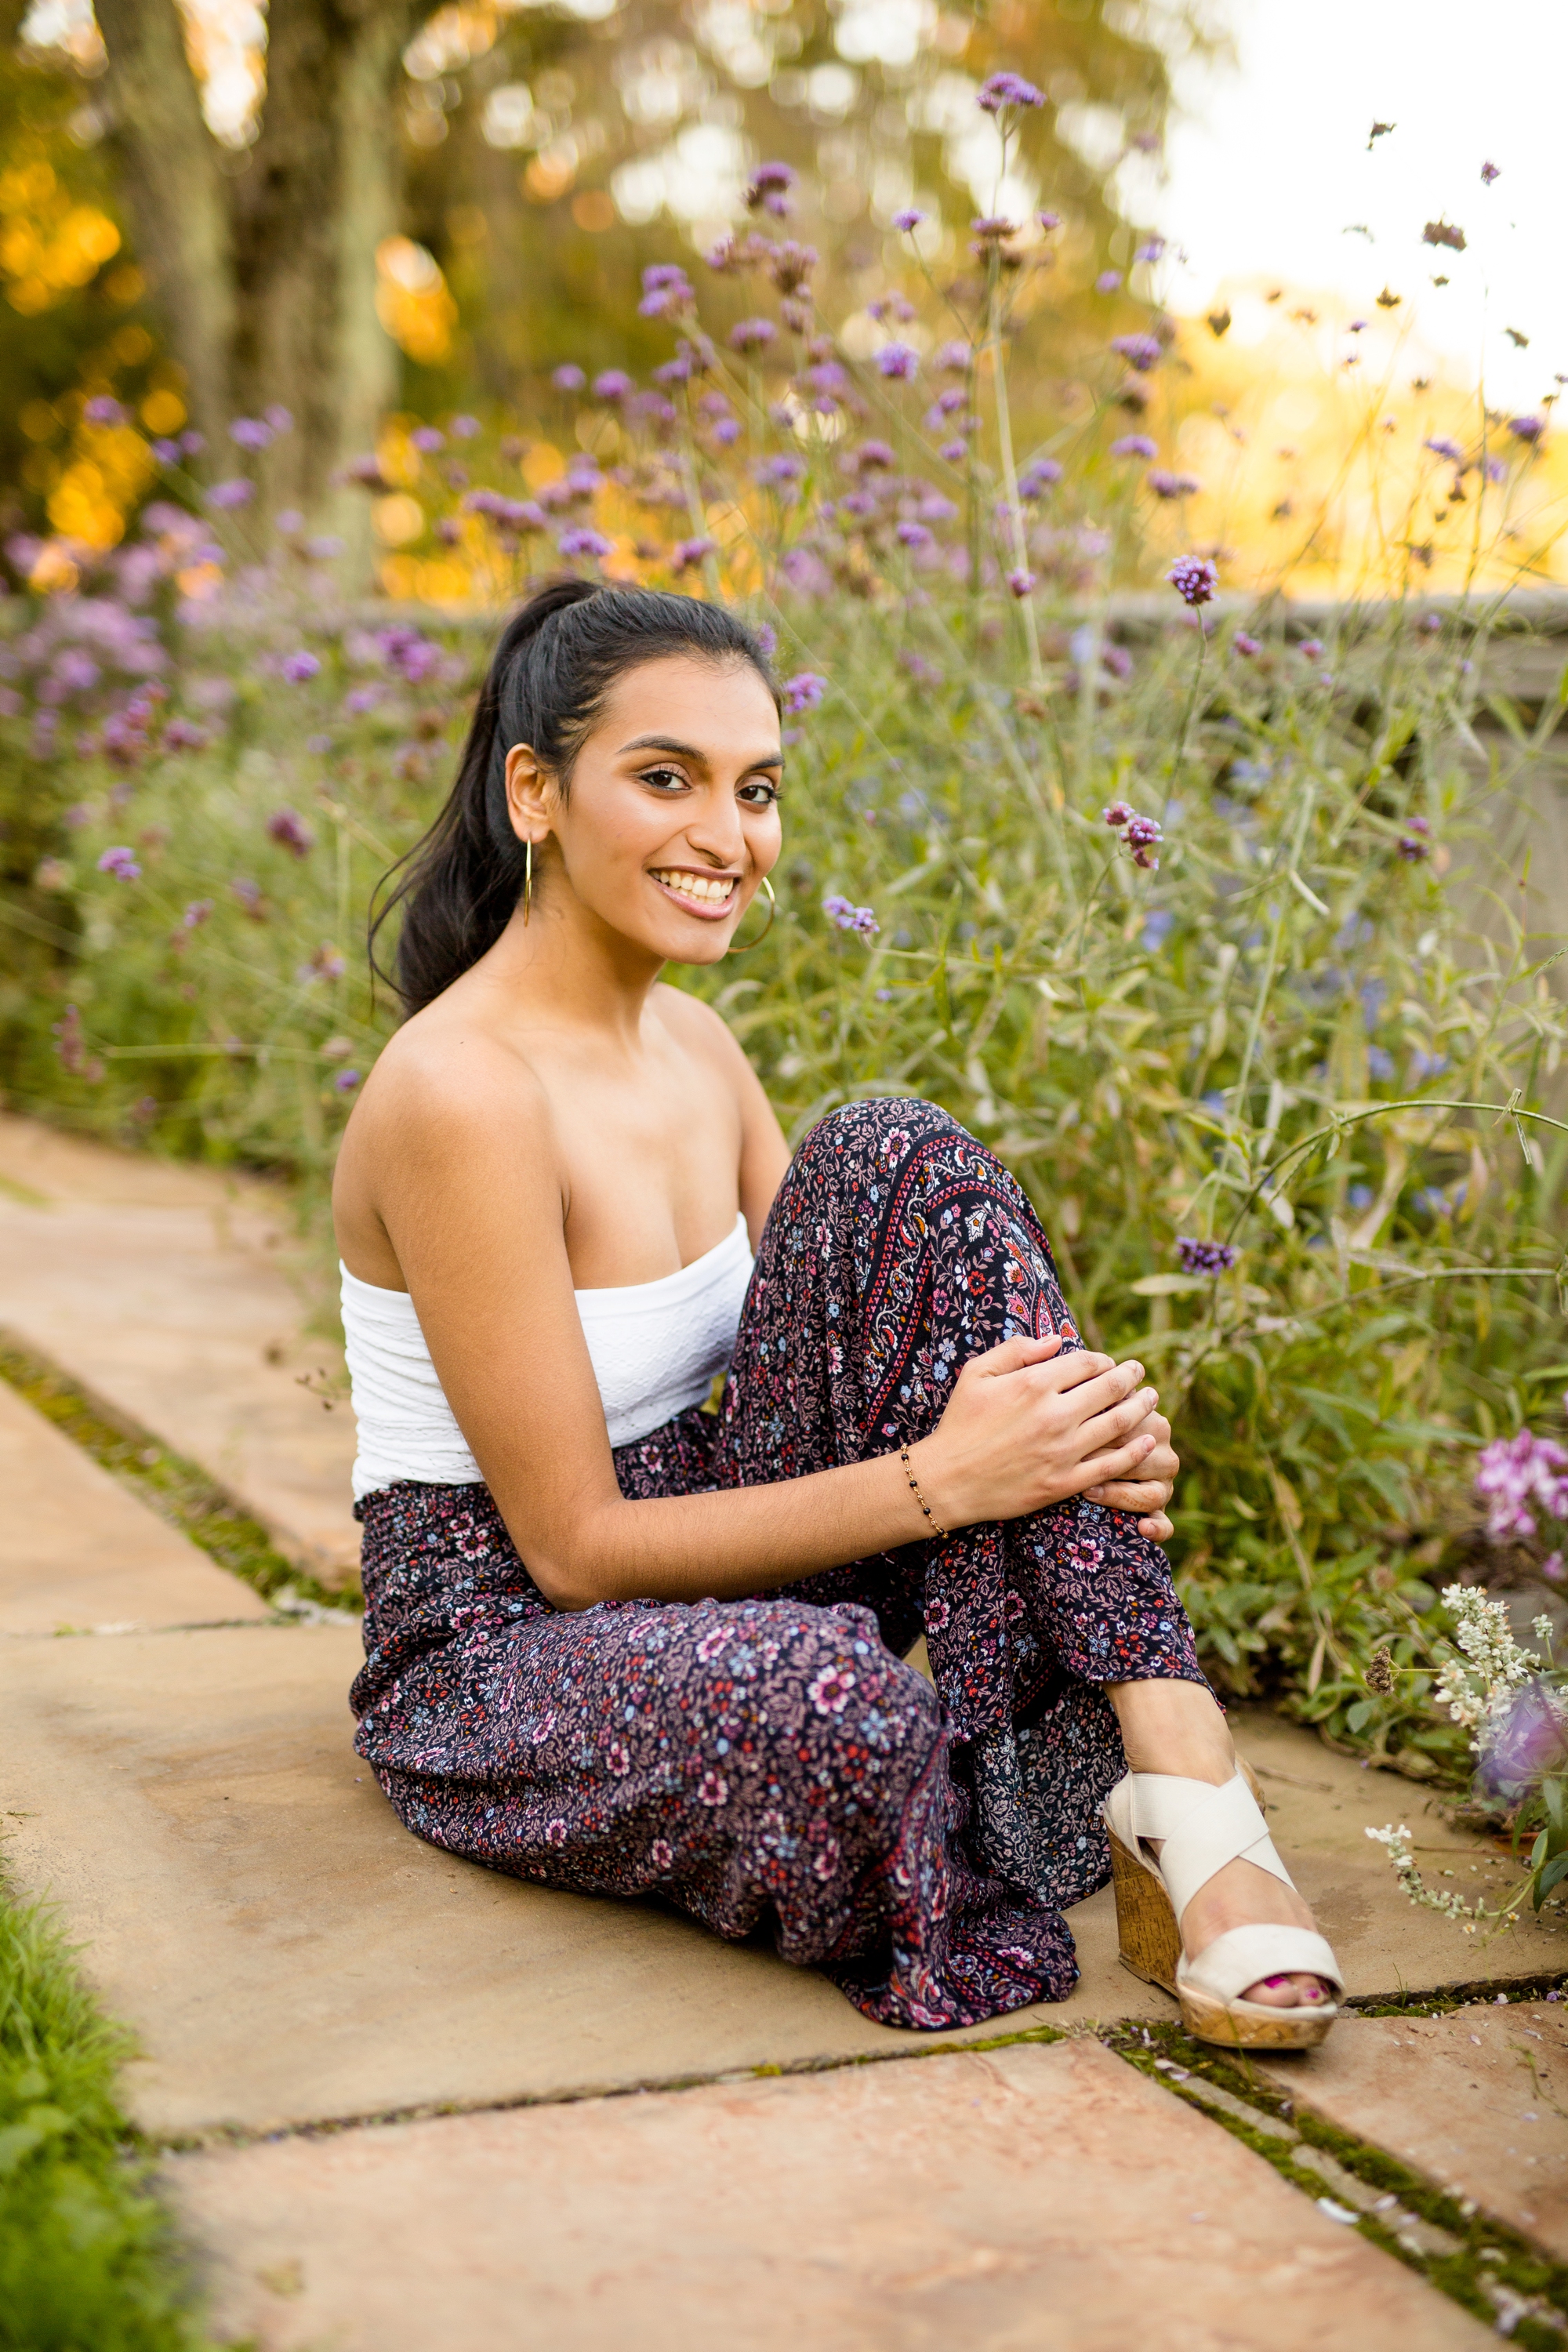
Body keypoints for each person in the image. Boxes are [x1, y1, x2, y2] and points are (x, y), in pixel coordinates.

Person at [332, 579, 1340, 2048]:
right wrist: (959, 1479)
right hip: (509, 1648)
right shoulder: (460, 1093)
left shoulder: (697, 1043)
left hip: (719, 1551)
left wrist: (1067, 1450)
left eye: (757, 790)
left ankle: (1181, 1778)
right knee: (836, 1708)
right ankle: (1083, 1801)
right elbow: (576, 1553)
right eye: (665, 778)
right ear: (535, 792)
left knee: (896, 1154)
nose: (727, 838)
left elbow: (904, 1328)